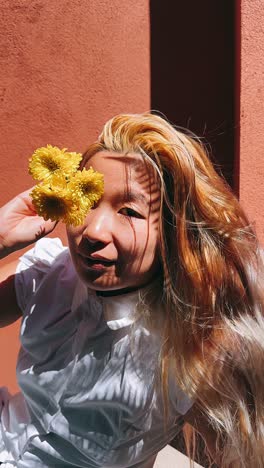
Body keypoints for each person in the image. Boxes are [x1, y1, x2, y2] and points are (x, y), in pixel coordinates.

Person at [0, 113, 263, 468]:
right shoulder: (47, 271)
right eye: (89, 199)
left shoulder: (193, 347)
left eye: (129, 211)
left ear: (174, 232)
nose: (93, 230)